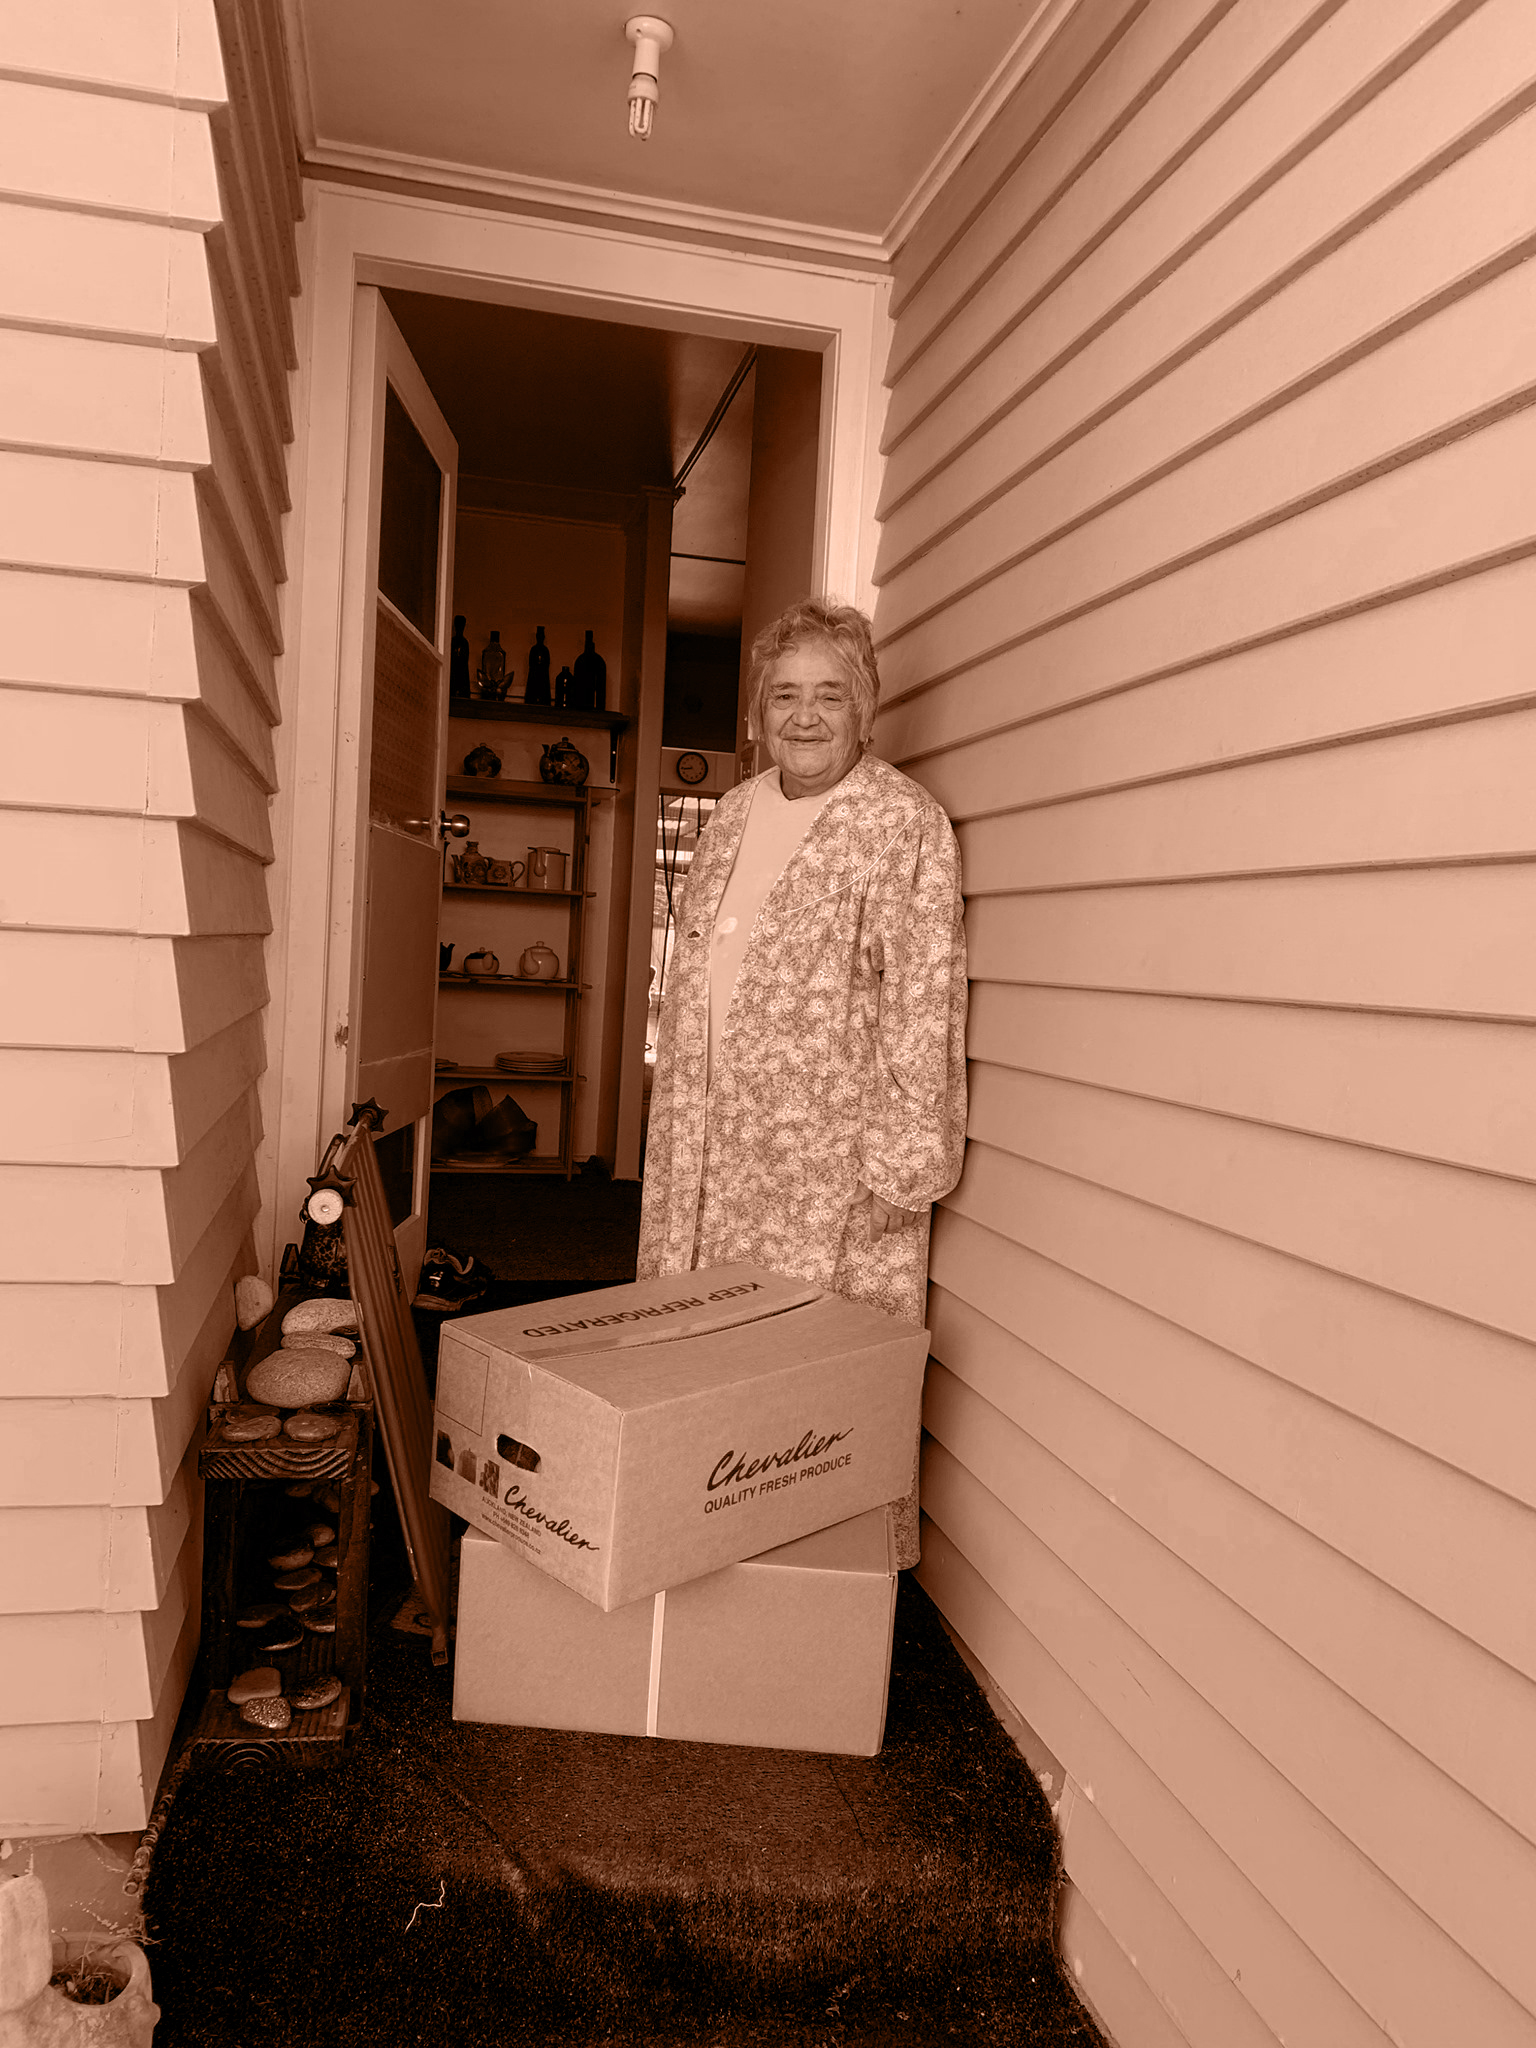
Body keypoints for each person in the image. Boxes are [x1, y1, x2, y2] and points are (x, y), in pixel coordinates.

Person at [637, 597, 968, 1566]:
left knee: (809, 1367)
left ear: (867, 706)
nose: (807, 715)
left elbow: (925, 992)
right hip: (710, 1138)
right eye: (786, 695)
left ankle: (819, 1580)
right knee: (702, 1338)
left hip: (826, 1163)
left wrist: (904, 1158)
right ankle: (699, 1535)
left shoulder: (899, 822)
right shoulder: (736, 812)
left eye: (831, 693)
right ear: (756, 714)